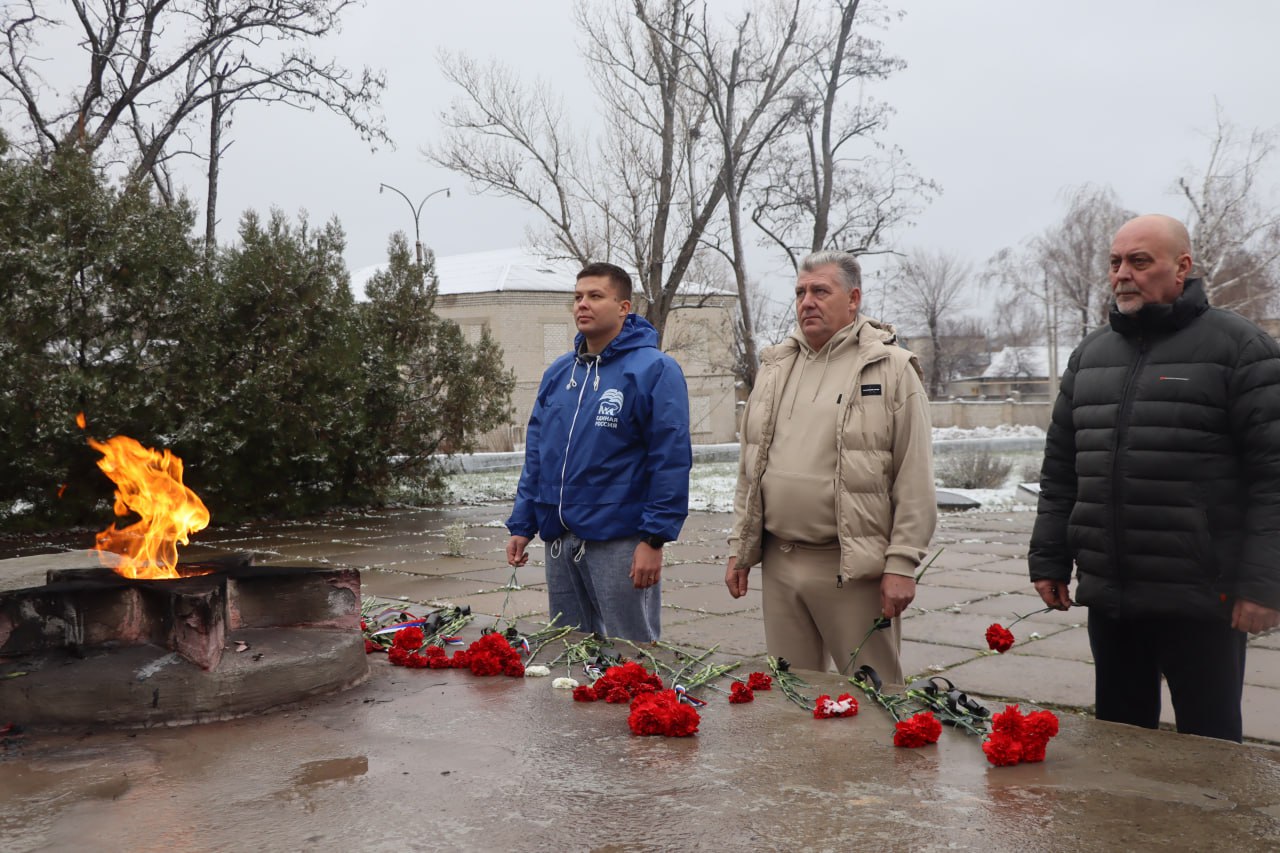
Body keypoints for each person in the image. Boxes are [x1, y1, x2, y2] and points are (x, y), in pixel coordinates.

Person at [1029, 214, 1280, 742]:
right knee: (1119, 746)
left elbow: (1272, 479)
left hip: (1203, 603)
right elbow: (1061, 472)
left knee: (1209, 751)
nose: (1122, 273)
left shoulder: (1240, 349)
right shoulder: (1091, 356)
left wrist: (1263, 585)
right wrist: (1050, 558)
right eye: (1115, 262)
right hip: (1114, 600)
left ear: (1182, 267)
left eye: (1139, 261)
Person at [724, 250, 936, 684]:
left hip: (851, 568)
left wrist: (901, 563)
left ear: (853, 298)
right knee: (791, 695)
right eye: (800, 292)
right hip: (781, 563)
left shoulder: (890, 369)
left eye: (821, 291)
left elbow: (914, 477)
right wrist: (740, 549)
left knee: (876, 696)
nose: (807, 302)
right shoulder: (775, 368)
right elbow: (750, 468)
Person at [506, 261, 691, 642]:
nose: (582, 305)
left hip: (619, 540)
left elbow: (670, 459)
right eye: (577, 297)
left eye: (595, 296)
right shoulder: (559, 373)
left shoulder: (654, 370)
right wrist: (523, 524)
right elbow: (538, 455)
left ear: (623, 307)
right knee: (569, 650)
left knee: (631, 653)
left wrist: (654, 539)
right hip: (560, 539)